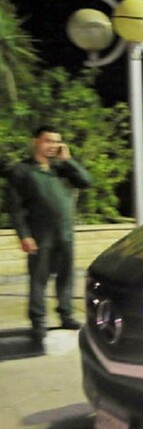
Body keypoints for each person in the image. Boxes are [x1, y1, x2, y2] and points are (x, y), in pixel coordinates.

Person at [7, 125, 92, 343]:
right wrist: (24, 235)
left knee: (66, 277)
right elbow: (15, 208)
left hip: (64, 233)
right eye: (48, 141)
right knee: (39, 279)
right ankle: (38, 322)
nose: (53, 145)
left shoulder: (60, 168)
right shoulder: (22, 171)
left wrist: (68, 161)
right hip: (40, 235)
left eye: (56, 141)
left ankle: (66, 315)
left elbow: (86, 182)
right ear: (35, 141)